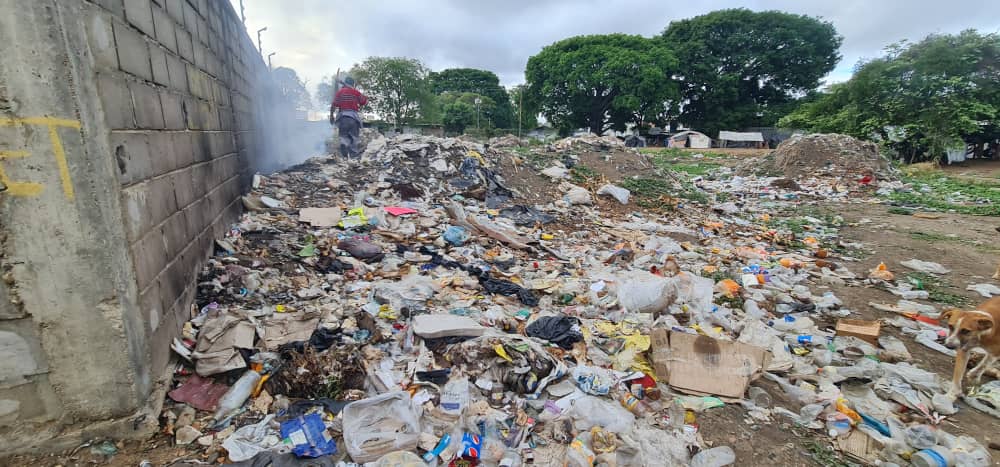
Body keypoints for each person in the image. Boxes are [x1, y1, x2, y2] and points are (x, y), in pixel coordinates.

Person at [330, 77, 368, 158]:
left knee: (343, 136)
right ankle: (353, 157)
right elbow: (364, 101)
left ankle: (344, 144)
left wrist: (331, 116)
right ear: (353, 84)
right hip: (353, 119)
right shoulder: (355, 92)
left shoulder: (340, 92)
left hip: (343, 118)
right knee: (354, 139)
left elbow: (334, 104)